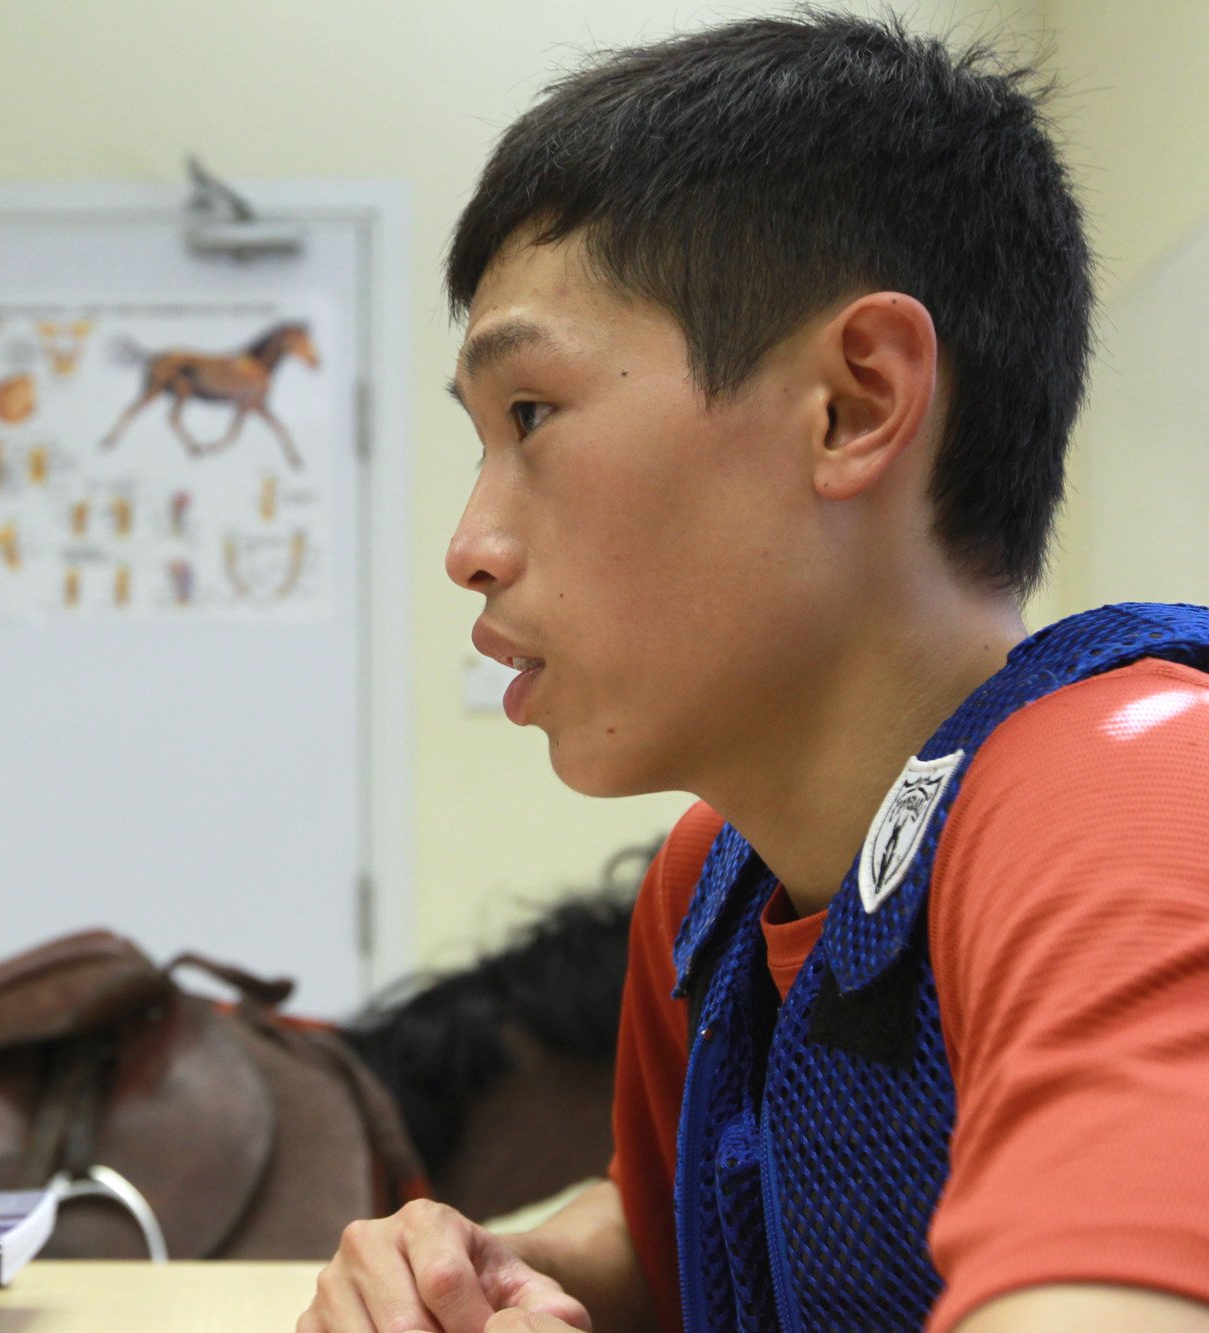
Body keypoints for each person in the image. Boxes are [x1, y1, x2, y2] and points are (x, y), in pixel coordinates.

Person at [298, 11, 1209, 1333]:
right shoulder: (714, 872)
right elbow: (702, 1218)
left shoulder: (1131, 796)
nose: (469, 547)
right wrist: (479, 1275)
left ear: (854, 402)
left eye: (533, 415)